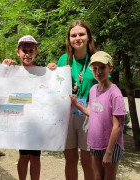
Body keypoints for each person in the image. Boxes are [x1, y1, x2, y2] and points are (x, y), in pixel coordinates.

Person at [48, 20, 96, 180]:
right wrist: (50, 70)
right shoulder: (64, 59)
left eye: (81, 34)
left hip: (89, 113)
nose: (77, 38)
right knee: (70, 160)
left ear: (88, 37)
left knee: (88, 162)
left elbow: (106, 87)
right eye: (73, 35)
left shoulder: (96, 60)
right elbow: (54, 84)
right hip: (67, 114)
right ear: (69, 39)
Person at [70, 51, 126, 180]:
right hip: (95, 143)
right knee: (98, 176)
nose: (98, 71)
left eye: (102, 67)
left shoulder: (115, 94)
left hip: (111, 145)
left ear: (110, 68)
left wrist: (109, 152)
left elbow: (117, 126)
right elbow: (94, 114)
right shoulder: (93, 89)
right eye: (94, 68)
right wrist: (77, 105)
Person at [3, 35, 43, 180]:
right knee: (24, 155)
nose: (27, 54)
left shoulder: (43, 72)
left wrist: (53, 69)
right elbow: (2, 87)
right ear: (17, 52)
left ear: (36, 52)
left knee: (36, 157)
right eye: (24, 50)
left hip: (37, 122)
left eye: (31, 51)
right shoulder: (12, 70)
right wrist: (4, 68)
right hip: (20, 121)